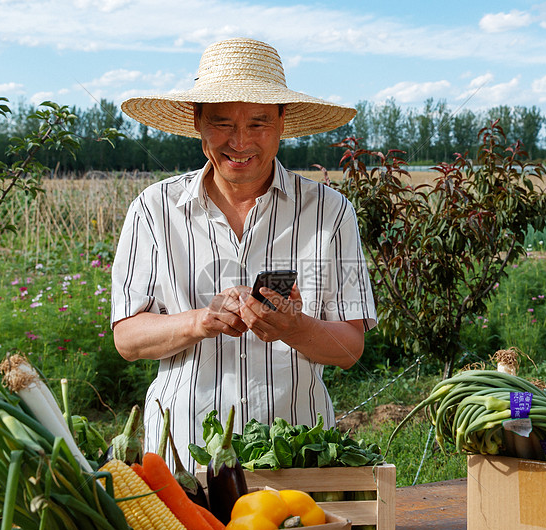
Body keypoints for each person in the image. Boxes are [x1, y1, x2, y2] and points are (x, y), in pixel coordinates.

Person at [111, 37, 377, 469]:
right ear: (198, 122)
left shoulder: (330, 212)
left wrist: (293, 326)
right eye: (222, 123)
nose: (240, 142)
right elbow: (127, 338)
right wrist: (201, 321)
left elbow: (349, 348)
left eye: (258, 123)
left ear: (281, 123)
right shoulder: (154, 209)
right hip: (182, 456)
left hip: (296, 450)